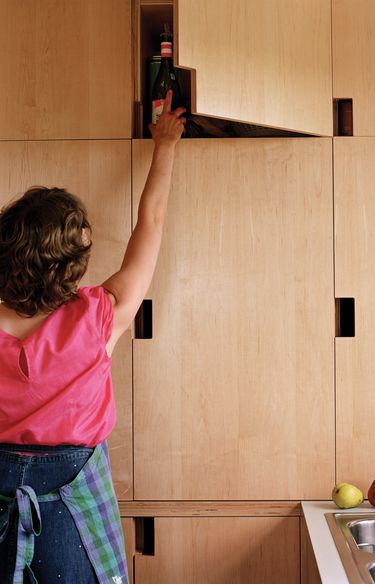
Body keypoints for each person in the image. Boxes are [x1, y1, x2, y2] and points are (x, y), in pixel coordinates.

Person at [0, 90, 185, 584]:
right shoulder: (99, 317)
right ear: (73, 265)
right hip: (73, 500)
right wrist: (165, 143)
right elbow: (152, 222)